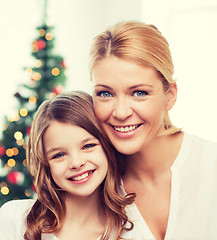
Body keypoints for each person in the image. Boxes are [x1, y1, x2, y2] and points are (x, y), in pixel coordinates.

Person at [89, 21, 217, 240]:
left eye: (139, 93)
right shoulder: (90, 184)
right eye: (105, 94)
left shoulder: (211, 165)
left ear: (170, 95)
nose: (120, 112)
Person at [0, 91, 140, 240]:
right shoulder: (15, 219)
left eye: (88, 146)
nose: (76, 163)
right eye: (59, 155)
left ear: (107, 145)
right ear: (45, 164)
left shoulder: (131, 231)